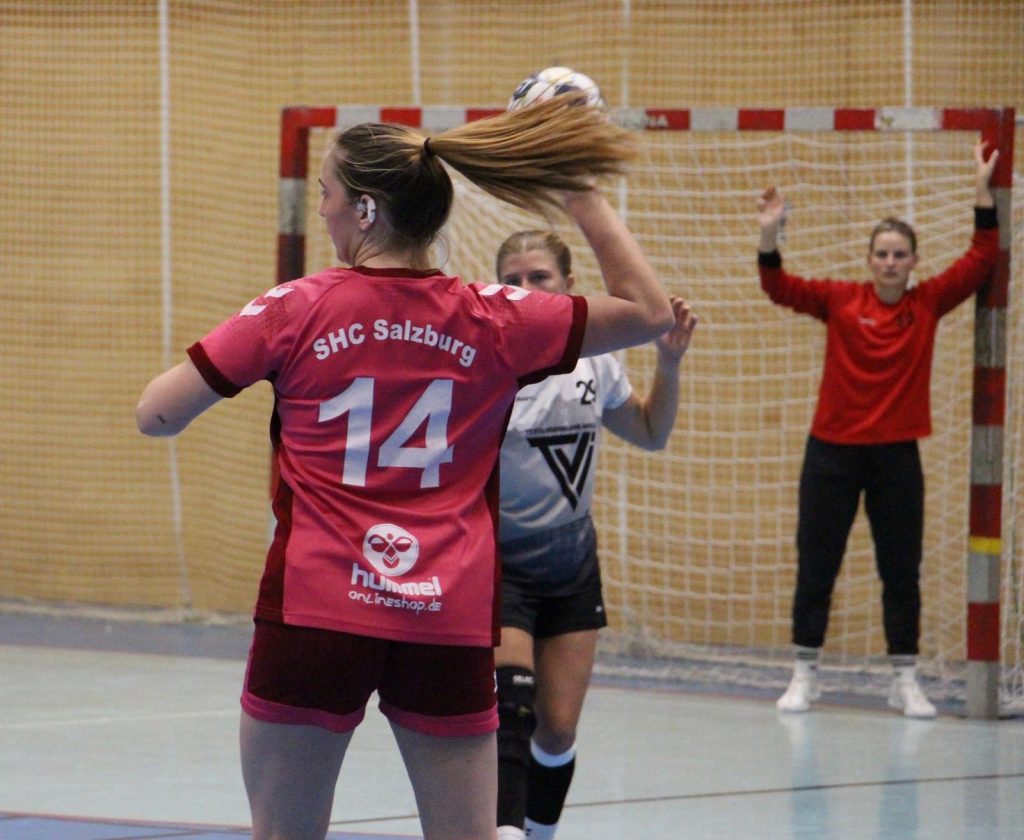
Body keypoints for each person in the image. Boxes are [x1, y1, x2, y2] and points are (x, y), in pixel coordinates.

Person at [136, 93, 675, 840]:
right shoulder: (497, 316)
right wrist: (578, 191)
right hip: (444, 614)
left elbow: (156, 414)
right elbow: (650, 313)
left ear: (364, 210)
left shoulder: (295, 308)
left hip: (315, 610)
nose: (321, 209)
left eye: (326, 193)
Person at [758, 140, 1000, 719]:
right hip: (831, 455)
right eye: (882, 254)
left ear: (913, 262)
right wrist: (769, 235)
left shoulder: (928, 304)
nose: (890, 262)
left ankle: (904, 679)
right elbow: (779, 287)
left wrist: (982, 192)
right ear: (869, 260)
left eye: (900, 254)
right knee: (817, 565)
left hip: (895, 458)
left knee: (900, 569)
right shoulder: (841, 301)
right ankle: (804, 674)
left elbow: (981, 258)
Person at [492, 230, 696, 840]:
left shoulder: (595, 358)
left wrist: (668, 363)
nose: (526, 289)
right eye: (512, 280)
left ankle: (540, 832)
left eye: (539, 277)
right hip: (501, 564)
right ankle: (504, 831)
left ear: (569, 286)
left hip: (572, 564)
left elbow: (650, 431)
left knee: (557, 730)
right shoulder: (491, 364)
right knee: (512, 706)